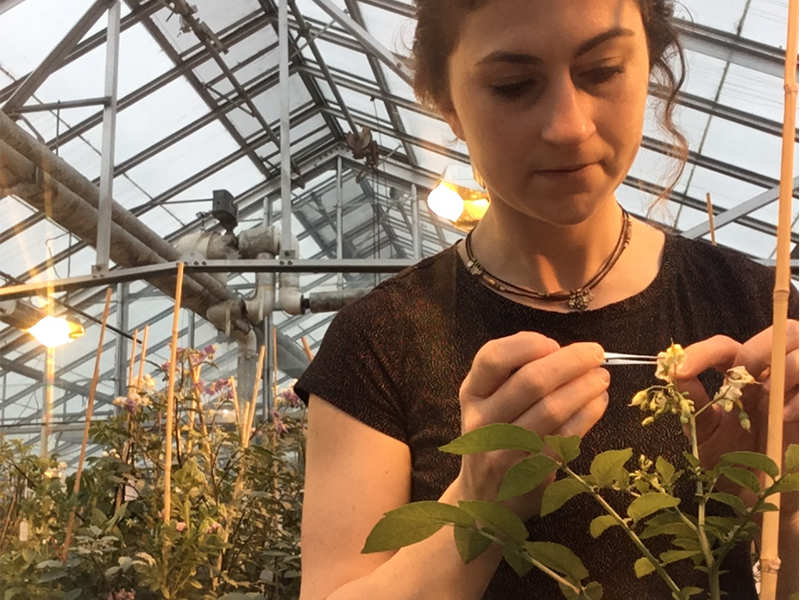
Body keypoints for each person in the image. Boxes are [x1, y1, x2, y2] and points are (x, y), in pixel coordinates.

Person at [294, 0, 800, 598]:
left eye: (603, 70)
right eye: (514, 85)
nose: (569, 126)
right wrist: (480, 503)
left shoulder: (752, 307)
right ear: (446, 102)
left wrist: (784, 505)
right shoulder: (383, 337)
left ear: (650, 65)